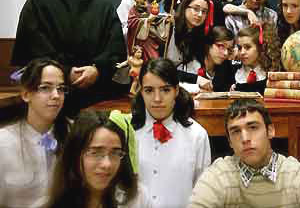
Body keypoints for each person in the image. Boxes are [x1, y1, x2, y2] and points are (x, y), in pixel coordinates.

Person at [11, 0, 127, 118]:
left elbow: (115, 49)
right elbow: (34, 48)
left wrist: (97, 70)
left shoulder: (104, 7)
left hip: (96, 97)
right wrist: (65, 72)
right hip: (51, 95)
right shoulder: (37, 3)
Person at [189, 99, 300, 207]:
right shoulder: (219, 175)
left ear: (270, 131)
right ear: (229, 142)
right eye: (236, 131)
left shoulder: (296, 174)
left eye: (253, 127)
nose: (245, 138)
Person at [131, 58, 211, 208]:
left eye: (165, 90)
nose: (157, 99)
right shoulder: (128, 131)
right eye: (149, 90)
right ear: (140, 91)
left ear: (176, 90)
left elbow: (202, 193)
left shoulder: (197, 136)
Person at [0, 58, 71, 208]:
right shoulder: (4, 142)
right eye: (45, 88)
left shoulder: (74, 134)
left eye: (61, 88)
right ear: (26, 94)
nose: (56, 95)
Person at [46, 110, 150, 208]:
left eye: (115, 153)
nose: (107, 164)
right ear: (75, 154)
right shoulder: (54, 202)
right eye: (96, 153)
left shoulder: (137, 199)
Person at [166, 0, 213, 93]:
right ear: (184, 8)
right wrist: (196, 79)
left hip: (187, 89)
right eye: (196, 9)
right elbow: (163, 70)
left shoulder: (199, 36)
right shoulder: (169, 30)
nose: (200, 14)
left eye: (204, 12)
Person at [233, 23, 281, 95]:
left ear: (260, 48)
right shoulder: (233, 70)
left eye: (247, 47)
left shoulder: (272, 72)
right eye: (240, 48)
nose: (242, 52)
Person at [192, 26, 236, 92]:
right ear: (209, 44)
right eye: (221, 46)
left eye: (229, 49)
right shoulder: (192, 63)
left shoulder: (226, 66)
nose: (226, 53)